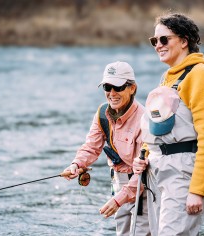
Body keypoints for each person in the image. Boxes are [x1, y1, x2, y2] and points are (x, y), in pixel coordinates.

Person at [133, 13, 204, 235]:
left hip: (184, 173)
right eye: (154, 41)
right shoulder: (169, 77)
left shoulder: (202, 75)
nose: (158, 45)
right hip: (157, 172)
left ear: (184, 41)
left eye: (164, 39)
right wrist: (144, 156)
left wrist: (198, 190)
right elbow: (156, 127)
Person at [63, 61, 150, 236]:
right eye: (107, 87)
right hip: (118, 184)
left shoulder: (145, 120)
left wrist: (119, 200)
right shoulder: (102, 113)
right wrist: (77, 164)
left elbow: (146, 170)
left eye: (117, 87)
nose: (111, 93)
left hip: (144, 187)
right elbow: (91, 147)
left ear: (132, 88)